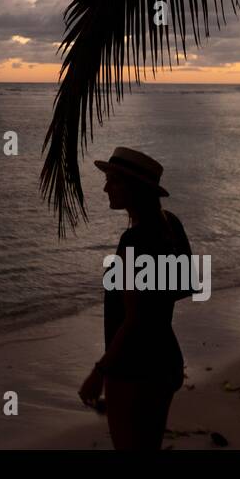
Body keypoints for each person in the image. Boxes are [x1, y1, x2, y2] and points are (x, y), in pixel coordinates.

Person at [78, 146, 195, 450]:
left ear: (135, 189)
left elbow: (134, 319)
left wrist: (99, 371)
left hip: (133, 367)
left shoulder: (134, 241)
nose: (105, 188)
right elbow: (185, 286)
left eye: (113, 181)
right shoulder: (170, 225)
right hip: (165, 359)